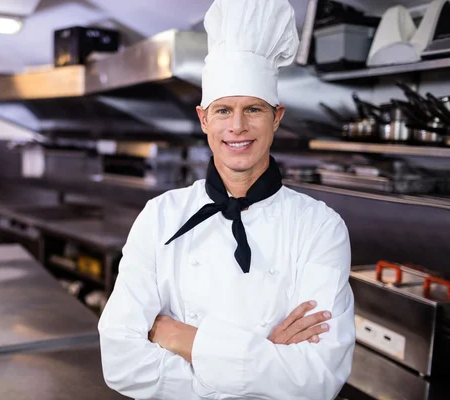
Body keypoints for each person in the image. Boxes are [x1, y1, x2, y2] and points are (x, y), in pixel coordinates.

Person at [98, 0, 355, 398]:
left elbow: (317, 378)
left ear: (277, 117)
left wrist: (179, 337)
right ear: (204, 120)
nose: (237, 126)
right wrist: (265, 361)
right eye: (223, 110)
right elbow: (119, 360)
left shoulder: (320, 227)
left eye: (253, 109)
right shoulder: (160, 216)